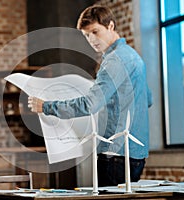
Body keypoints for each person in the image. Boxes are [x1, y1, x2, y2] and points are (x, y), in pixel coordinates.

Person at [28, 5, 152, 187]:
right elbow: (148, 99)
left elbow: (89, 105)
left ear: (110, 26)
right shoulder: (133, 56)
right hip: (135, 154)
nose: (92, 39)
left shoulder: (114, 60)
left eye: (95, 31)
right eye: (86, 35)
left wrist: (46, 106)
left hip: (115, 155)